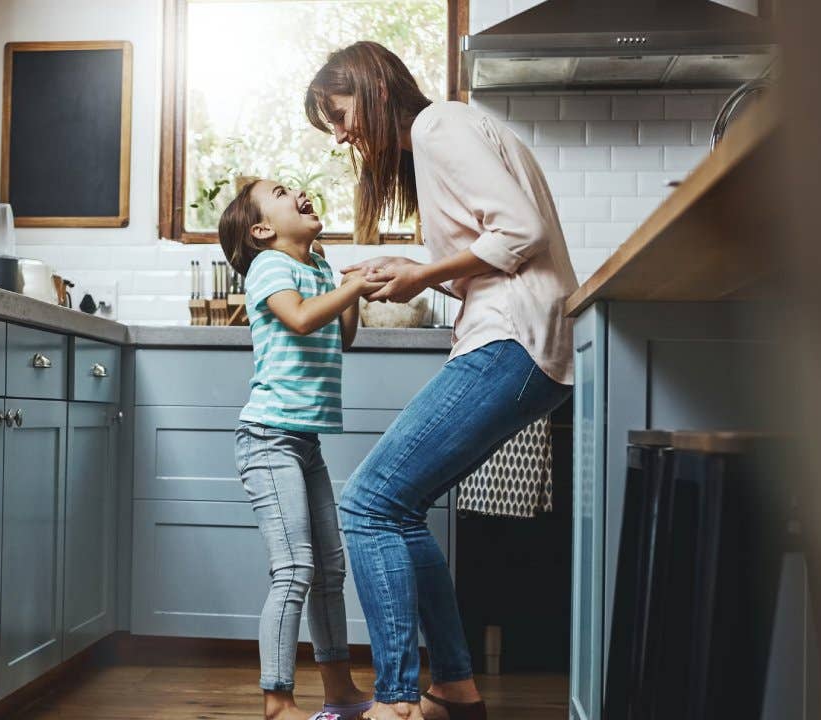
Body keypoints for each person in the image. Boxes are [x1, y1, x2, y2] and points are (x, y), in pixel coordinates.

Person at [303, 41, 579, 720]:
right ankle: (453, 690)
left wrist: (423, 275)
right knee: (397, 506)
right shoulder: (445, 134)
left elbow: (525, 230)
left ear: (370, 85)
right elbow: (494, 253)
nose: (341, 135)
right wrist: (413, 267)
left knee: (368, 504)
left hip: (511, 339)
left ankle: (395, 703)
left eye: (338, 115)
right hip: (521, 337)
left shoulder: (437, 125)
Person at [218, 178, 382, 720]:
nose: (301, 191)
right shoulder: (269, 267)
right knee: (293, 570)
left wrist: (347, 283)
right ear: (262, 229)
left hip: (302, 442)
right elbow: (302, 318)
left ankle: (339, 692)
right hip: (267, 439)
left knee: (329, 571)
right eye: (283, 191)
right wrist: (351, 291)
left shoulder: (315, 268)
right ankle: (277, 700)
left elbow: (341, 336)